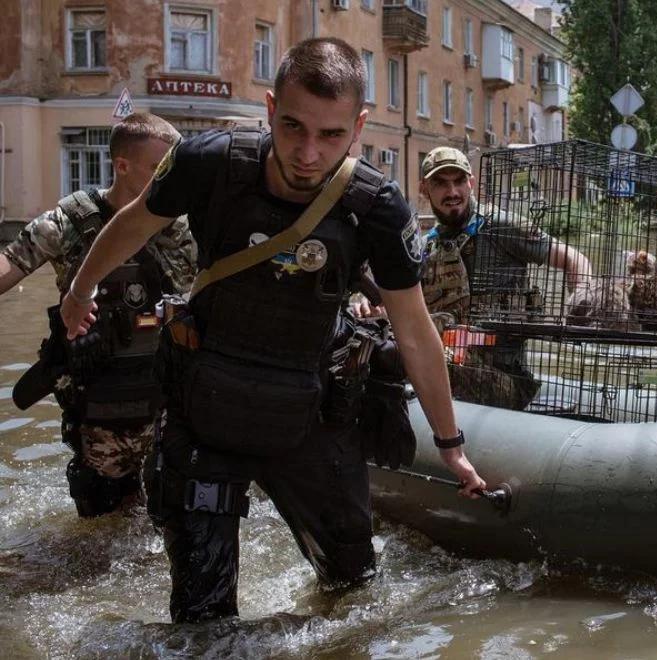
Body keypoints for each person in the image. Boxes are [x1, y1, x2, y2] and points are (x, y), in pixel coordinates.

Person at [59, 38, 486, 622]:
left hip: (311, 410)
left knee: (353, 588)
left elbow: (413, 331)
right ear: (269, 108)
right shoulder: (209, 162)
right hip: (205, 403)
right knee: (203, 617)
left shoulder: (378, 208)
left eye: (332, 135)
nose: (309, 153)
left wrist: (451, 445)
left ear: (359, 126)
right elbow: (134, 223)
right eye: (293, 127)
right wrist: (79, 292)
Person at [0, 113, 193, 517]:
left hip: (170, 410)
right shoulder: (68, 224)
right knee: (101, 531)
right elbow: (10, 263)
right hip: (101, 412)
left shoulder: (187, 231)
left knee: (174, 522)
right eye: (160, 168)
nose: (170, 178)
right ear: (122, 165)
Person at [402, 146, 590, 410]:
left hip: (504, 380)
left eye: (458, 182)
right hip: (447, 368)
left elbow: (573, 258)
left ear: (471, 183)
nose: (452, 192)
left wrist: (582, 297)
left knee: (438, 358)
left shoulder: (500, 226)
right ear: (424, 189)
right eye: (441, 184)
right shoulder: (425, 248)